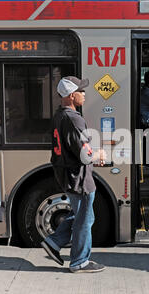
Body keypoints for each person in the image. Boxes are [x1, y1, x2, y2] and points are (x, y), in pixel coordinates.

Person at [42, 76, 107, 273]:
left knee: (82, 215)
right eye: (81, 91)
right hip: (79, 177)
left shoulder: (59, 116)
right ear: (72, 96)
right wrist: (99, 154)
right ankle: (80, 261)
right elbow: (84, 155)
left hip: (66, 174)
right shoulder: (74, 118)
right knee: (84, 220)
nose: (85, 94)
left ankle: (54, 242)